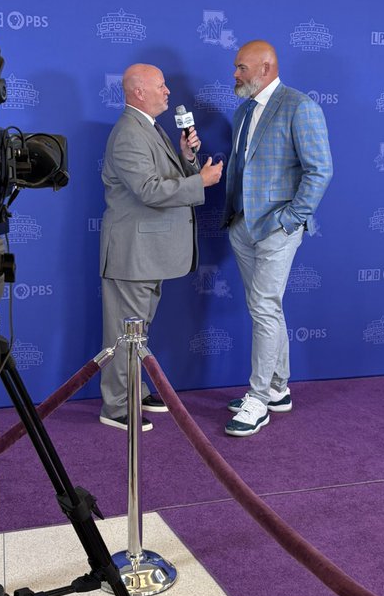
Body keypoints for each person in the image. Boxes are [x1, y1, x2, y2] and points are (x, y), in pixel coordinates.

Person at [99, 63, 223, 430]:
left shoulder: (148, 128)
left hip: (148, 254)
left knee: (137, 329)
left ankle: (132, 391)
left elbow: (162, 179)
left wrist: (186, 158)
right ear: (139, 92)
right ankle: (116, 406)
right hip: (131, 253)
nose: (168, 92)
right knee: (124, 331)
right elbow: (150, 191)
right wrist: (200, 180)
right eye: (161, 86)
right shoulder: (128, 133)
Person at [222, 39, 333, 437]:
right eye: (236, 68)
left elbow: (320, 171)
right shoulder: (242, 111)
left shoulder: (300, 107)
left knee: (265, 307)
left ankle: (258, 400)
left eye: (241, 68)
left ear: (266, 68)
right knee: (265, 307)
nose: (234, 75)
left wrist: (291, 220)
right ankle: (278, 388)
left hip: (277, 228)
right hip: (241, 226)